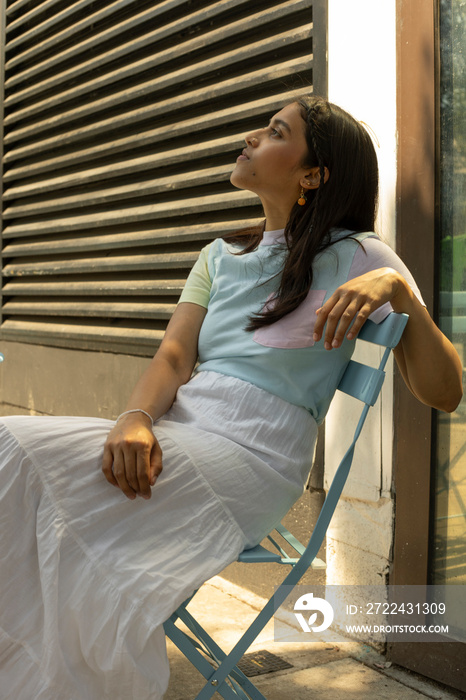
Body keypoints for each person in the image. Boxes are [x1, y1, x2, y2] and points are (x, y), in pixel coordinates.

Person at [0, 96, 462, 700]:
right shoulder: (219, 257)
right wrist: (136, 417)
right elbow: (173, 356)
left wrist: (399, 291)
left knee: (58, 490)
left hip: (256, 454)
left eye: (274, 132)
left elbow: (446, 392)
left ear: (313, 175)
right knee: (14, 447)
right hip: (185, 427)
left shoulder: (361, 255)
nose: (250, 137)